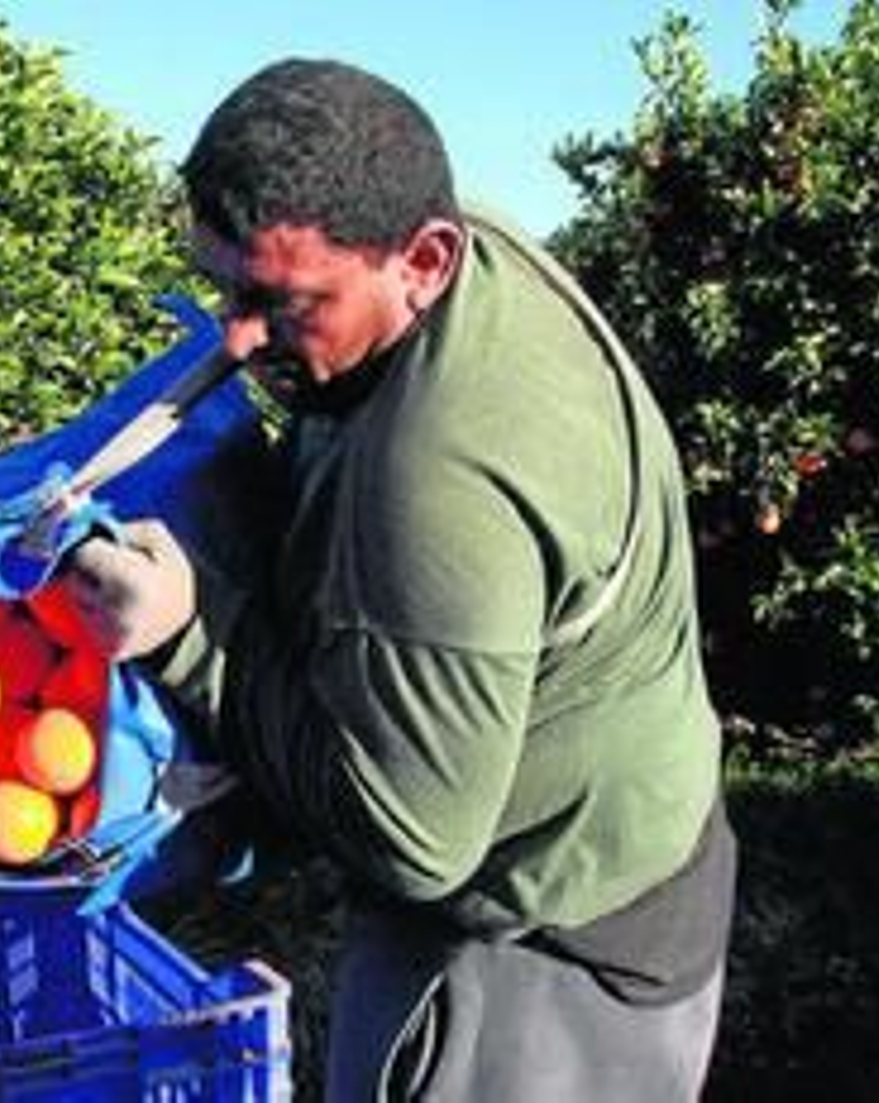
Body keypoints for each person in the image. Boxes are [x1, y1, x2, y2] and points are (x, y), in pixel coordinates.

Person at [67, 58, 737, 1101]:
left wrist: (190, 635)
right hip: (607, 815)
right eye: (222, 288)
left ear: (423, 257)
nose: (238, 338)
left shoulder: (437, 480)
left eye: (279, 302)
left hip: (551, 939)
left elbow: (413, 837)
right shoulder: (441, 254)